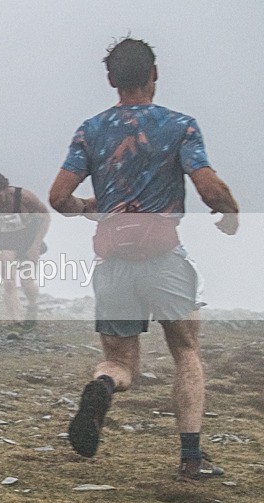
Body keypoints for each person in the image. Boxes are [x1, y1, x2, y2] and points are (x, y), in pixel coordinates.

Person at [49, 38, 239, 480]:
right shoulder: (179, 126)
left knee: (119, 363)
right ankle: (191, 459)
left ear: (111, 79)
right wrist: (229, 215)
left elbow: (60, 197)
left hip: (114, 260)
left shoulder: (90, 130)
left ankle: (102, 387)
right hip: (163, 256)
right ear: (154, 74)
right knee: (186, 352)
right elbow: (210, 188)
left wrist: (91, 207)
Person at [0, 172, 50, 333]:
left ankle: (32, 306)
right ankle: (16, 323)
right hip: (5, 240)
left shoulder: (25, 197)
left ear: (6, 188)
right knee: (9, 281)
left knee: (27, 281)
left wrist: (36, 245)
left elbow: (45, 217)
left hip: (28, 238)